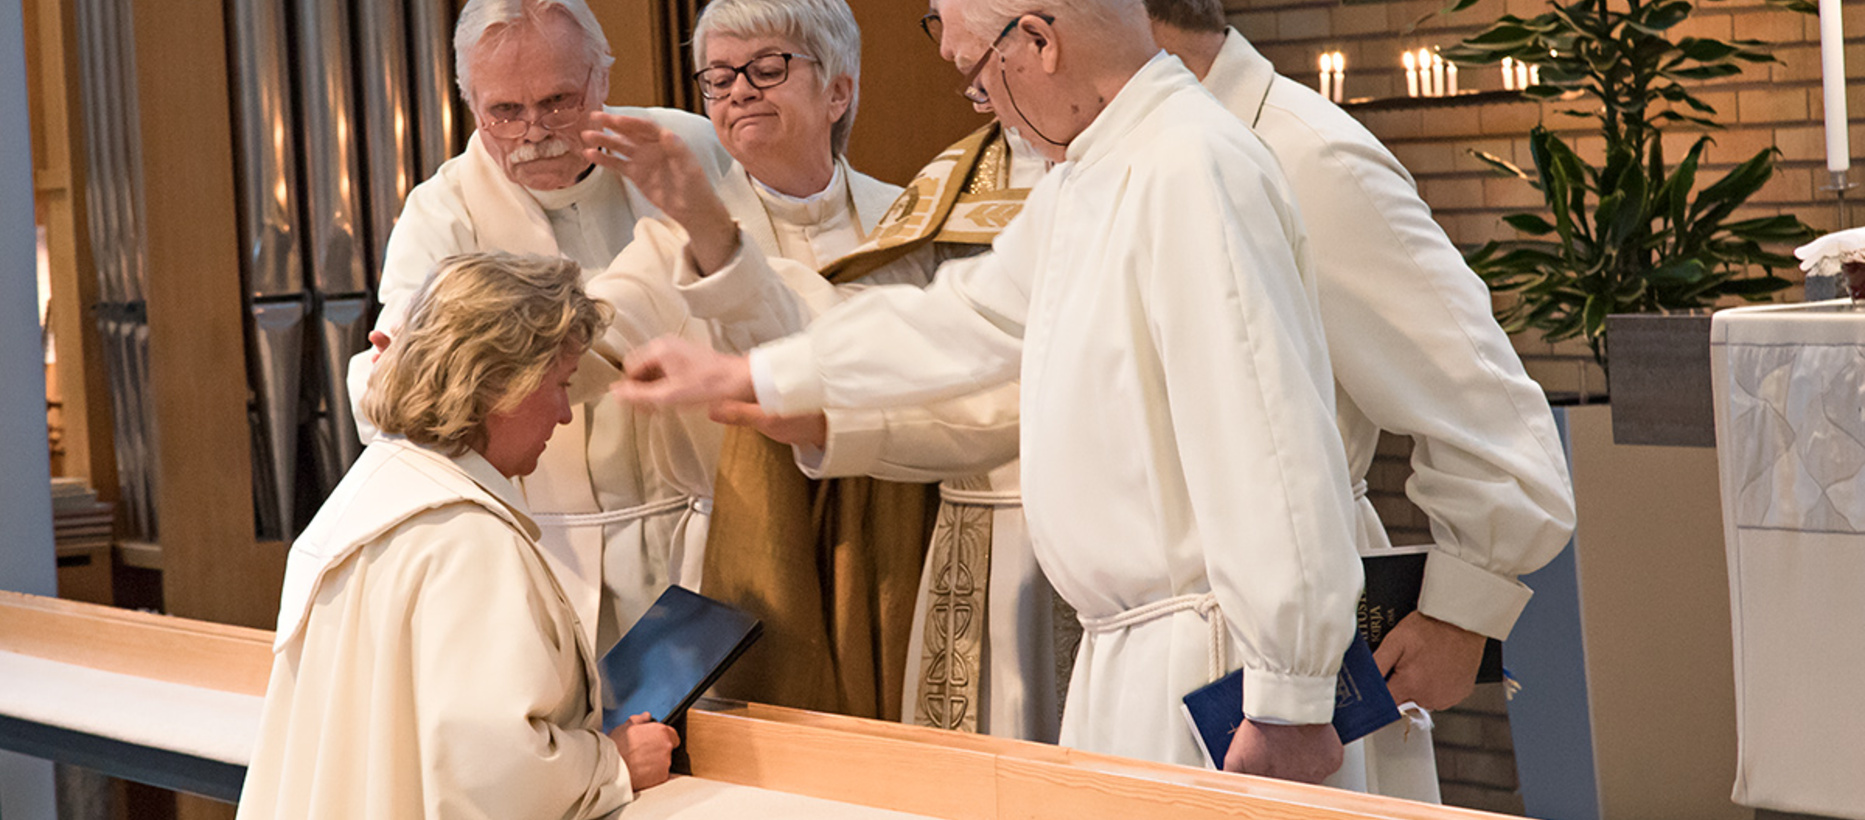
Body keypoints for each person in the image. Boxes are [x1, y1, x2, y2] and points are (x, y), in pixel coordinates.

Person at [610, 0, 1364, 783]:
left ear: (1036, 42)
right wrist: (758, 373)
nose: (987, 111)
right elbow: (965, 316)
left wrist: (1290, 693)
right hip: (1137, 651)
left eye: (979, 79)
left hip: (1213, 661)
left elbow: (1266, 445)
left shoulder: (1190, 166)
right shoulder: (1097, 173)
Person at [349, 0, 737, 659]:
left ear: (602, 79)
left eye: (558, 101)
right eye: (505, 111)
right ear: (471, 104)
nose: (534, 131)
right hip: (547, 548)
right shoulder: (440, 215)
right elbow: (393, 391)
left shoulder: (684, 149)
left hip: (702, 528)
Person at [239, 253, 680, 820]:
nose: (565, 415)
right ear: (500, 384)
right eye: (560, 385)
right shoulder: (467, 540)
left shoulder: (365, 493)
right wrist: (614, 763)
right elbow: (494, 777)